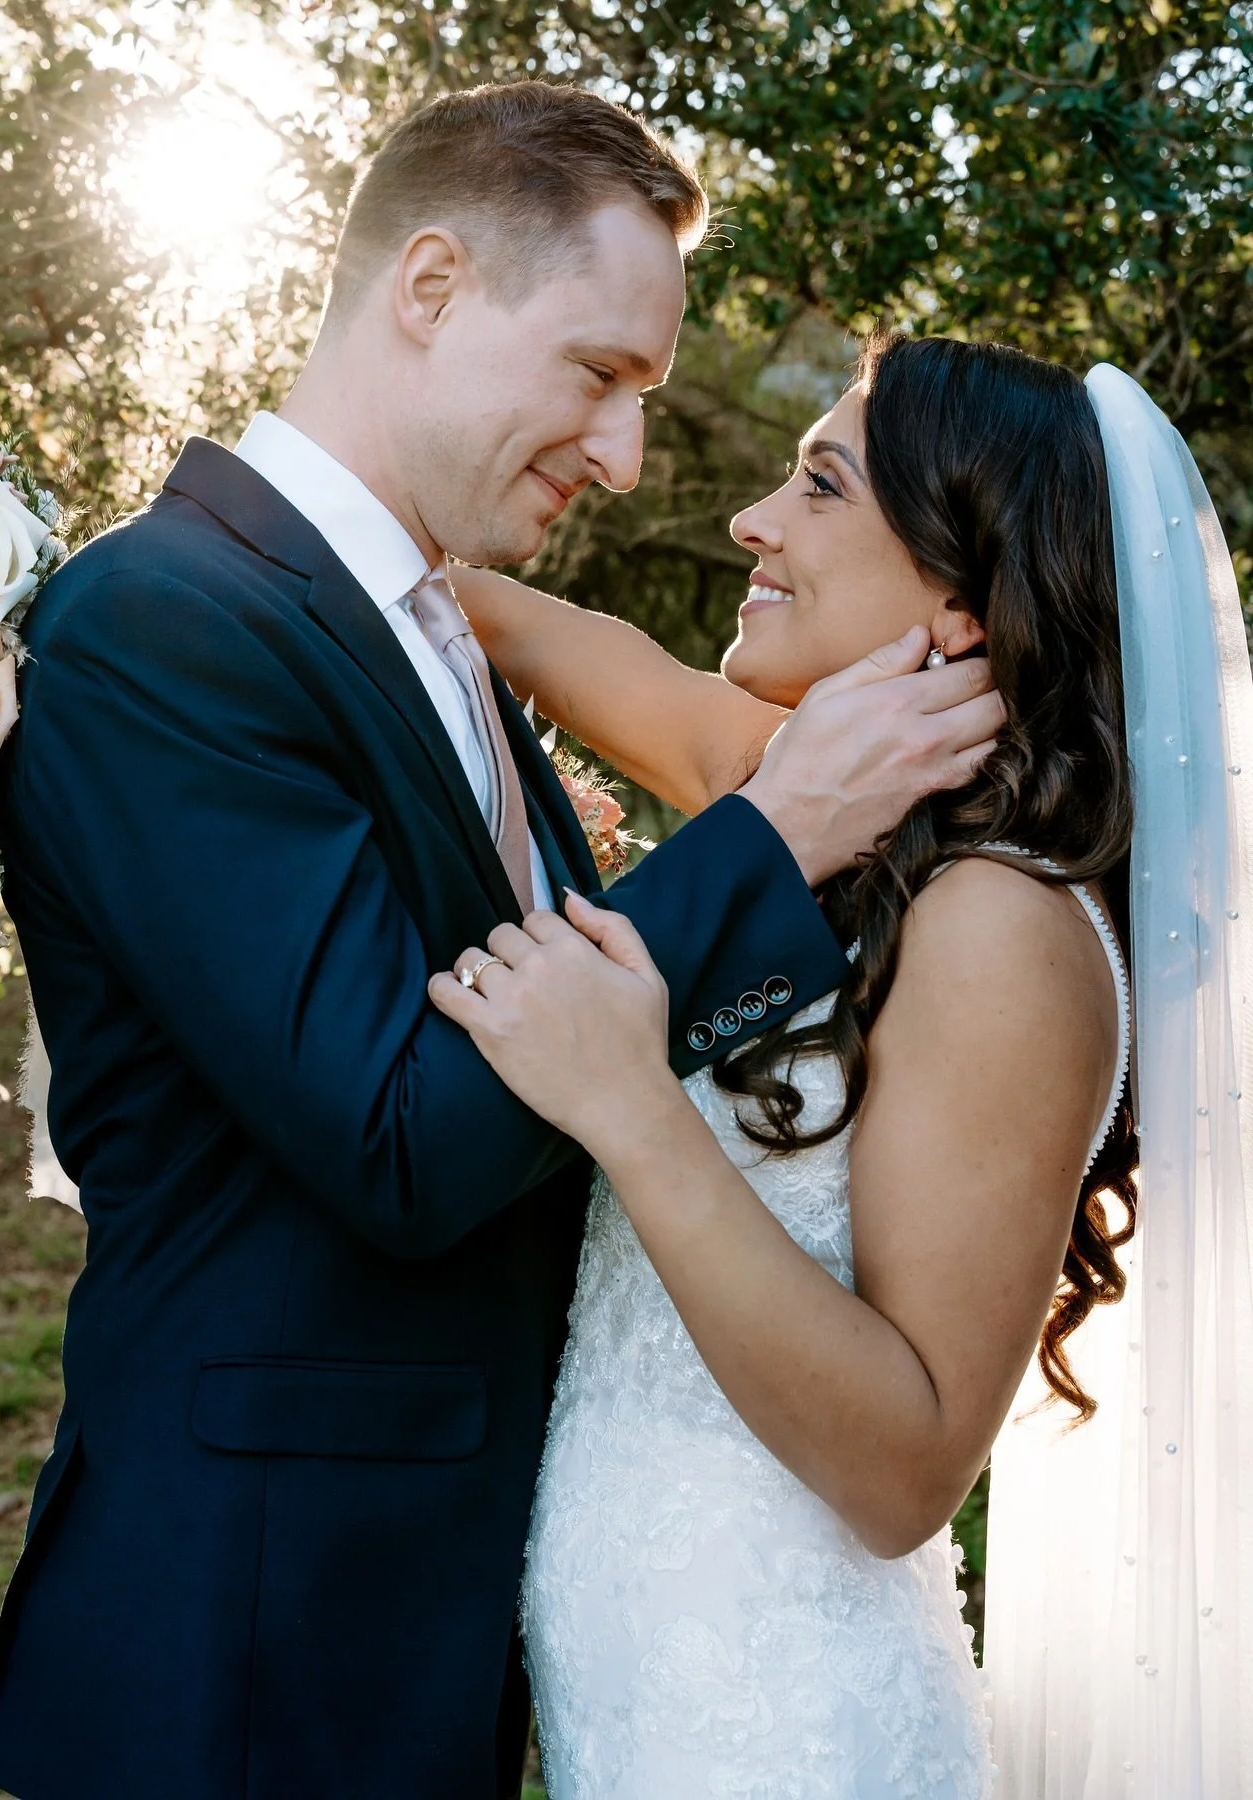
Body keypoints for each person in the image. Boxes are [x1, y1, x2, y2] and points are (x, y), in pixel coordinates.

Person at [0, 86, 1001, 1800]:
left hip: (436, 1620)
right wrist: (781, 832)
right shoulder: (160, 624)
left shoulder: (424, 620)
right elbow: (395, 1133)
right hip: (248, 1656)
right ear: (430, 287)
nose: (626, 459)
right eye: (601, 376)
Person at [435, 334, 1143, 1797]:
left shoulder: (1000, 926)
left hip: (795, 1739)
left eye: (820, 484)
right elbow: (505, 618)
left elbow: (909, 1469)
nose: (753, 519)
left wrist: (633, 1107)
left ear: (959, 594)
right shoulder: (810, 805)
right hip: (630, 1709)